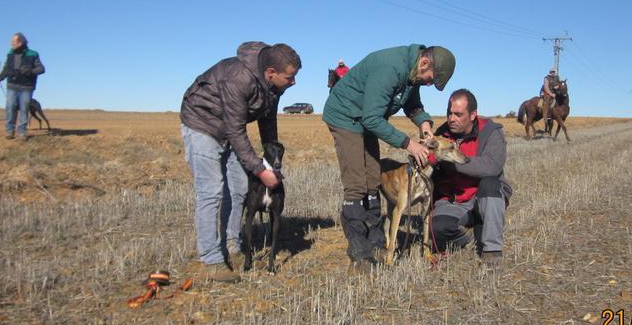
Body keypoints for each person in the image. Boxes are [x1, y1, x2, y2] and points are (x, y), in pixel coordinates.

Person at [322, 44, 455, 273]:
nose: (427, 84)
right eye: (429, 80)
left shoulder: (412, 74)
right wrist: (409, 144)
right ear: (424, 63)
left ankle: (376, 243)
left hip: (365, 119)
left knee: (373, 178)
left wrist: (424, 123)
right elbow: (372, 118)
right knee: (356, 183)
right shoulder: (390, 69)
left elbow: (413, 105)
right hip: (346, 117)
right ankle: (359, 254)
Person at [180, 41, 301, 283]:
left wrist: (271, 160)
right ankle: (212, 260)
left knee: (238, 190)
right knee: (211, 192)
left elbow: (267, 123)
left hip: (229, 129)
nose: (293, 82)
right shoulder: (239, 78)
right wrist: (258, 169)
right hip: (202, 123)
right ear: (271, 73)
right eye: (290, 77)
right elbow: (236, 130)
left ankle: (232, 245)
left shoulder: (275, 87)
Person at [429, 89, 512, 267]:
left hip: (482, 197)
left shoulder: (491, 131)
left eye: (458, 114)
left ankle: (491, 250)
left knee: (490, 183)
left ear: (473, 115)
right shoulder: (442, 133)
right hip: (454, 200)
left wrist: (452, 159)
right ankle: (467, 238)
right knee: (437, 230)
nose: (451, 119)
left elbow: (492, 166)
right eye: (449, 113)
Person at [0, 33, 45, 140]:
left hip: (27, 87)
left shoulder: (33, 54)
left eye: (14, 41)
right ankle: (10, 130)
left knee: (24, 108)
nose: (11, 43)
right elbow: (6, 68)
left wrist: (31, 71)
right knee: (10, 107)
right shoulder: (10, 53)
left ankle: (22, 131)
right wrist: (0, 77)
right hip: (12, 85)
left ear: (20, 42)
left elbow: (41, 69)